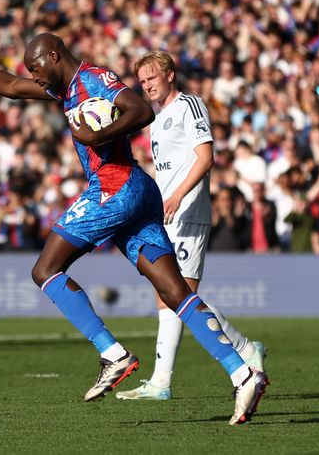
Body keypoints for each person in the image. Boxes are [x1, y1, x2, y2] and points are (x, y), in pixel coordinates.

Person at [0, 33, 266, 424]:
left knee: (45, 270)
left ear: (53, 56)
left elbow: (140, 111)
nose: (33, 76)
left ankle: (112, 354)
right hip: (138, 191)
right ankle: (242, 372)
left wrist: (97, 135)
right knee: (173, 292)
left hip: (115, 187)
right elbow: (11, 86)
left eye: (36, 68)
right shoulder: (64, 90)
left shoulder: (95, 78)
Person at [116, 51, 267, 400]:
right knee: (168, 294)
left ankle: (236, 354)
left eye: (152, 77)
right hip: (166, 214)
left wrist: (179, 196)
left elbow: (205, 157)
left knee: (180, 295)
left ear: (170, 74)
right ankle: (164, 381)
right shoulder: (156, 121)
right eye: (142, 81)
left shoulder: (190, 105)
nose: (147, 85)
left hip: (188, 212)